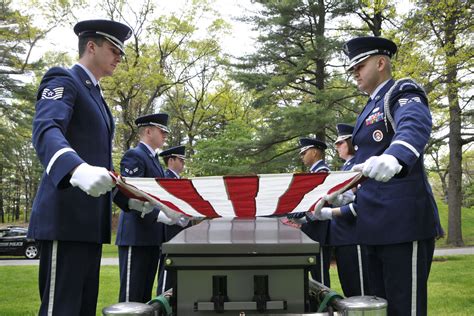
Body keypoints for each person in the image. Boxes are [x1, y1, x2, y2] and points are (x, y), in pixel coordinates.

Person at [29, 19, 132, 315]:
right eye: (114, 50)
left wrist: (133, 201)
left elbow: (102, 167)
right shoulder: (63, 79)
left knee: (82, 309)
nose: (118, 58)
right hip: (65, 216)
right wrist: (75, 169)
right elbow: (47, 129)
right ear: (91, 46)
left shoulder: (97, 97)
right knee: (60, 309)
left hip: (89, 223)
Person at [339, 36, 442, 315]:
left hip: (401, 222)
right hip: (372, 225)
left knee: (403, 308)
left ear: (381, 62)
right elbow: (362, 163)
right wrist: (342, 192)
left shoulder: (401, 90)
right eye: (352, 69)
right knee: (379, 307)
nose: (355, 73)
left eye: (359, 65)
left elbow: (413, 123)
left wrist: (395, 156)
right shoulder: (367, 109)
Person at [114, 113, 171, 303]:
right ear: (148, 131)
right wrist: (160, 214)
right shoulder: (135, 156)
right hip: (136, 235)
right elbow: (131, 194)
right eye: (162, 131)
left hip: (150, 236)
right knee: (132, 296)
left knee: (145, 297)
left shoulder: (153, 159)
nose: (165, 135)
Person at [312, 124, 370, 297]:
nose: (337, 146)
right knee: (350, 290)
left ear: (351, 143)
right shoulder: (347, 168)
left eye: (341, 143)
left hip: (354, 236)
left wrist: (330, 212)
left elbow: (361, 204)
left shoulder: (358, 166)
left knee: (360, 292)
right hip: (343, 237)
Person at [293, 138, 332, 287]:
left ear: (314, 152)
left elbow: (321, 204)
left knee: (320, 278)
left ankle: (325, 308)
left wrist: (303, 218)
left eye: (304, 152)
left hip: (319, 231)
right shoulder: (314, 173)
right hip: (313, 231)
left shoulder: (322, 173)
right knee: (314, 278)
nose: (301, 156)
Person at [156, 145, 191, 294]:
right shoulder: (166, 179)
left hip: (179, 231)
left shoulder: (177, 180)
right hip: (169, 232)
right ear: (171, 160)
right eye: (180, 159)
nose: (183, 163)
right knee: (167, 273)